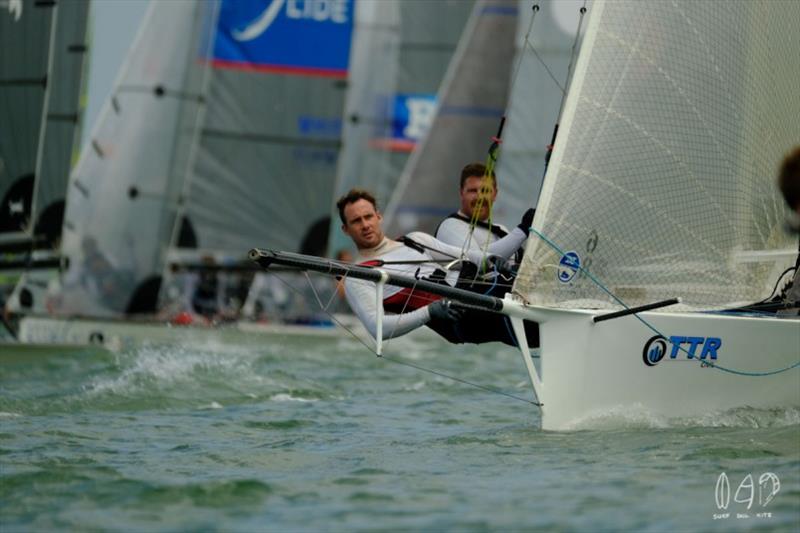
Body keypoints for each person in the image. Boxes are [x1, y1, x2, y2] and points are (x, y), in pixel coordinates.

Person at [336, 188, 538, 347]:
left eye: (368, 217)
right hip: (456, 319)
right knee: (530, 322)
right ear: (345, 229)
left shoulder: (414, 240)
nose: (365, 225)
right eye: (356, 221)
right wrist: (430, 312)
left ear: (378, 216)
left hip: (474, 288)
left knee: (535, 288)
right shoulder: (359, 275)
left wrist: (491, 260)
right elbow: (378, 328)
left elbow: (467, 255)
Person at [435, 162, 528, 266]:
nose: (479, 197)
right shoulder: (450, 226)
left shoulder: (502, 230)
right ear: (462, 193)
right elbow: (478, 261)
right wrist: (522, 231)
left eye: (485, 190)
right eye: (473, 191)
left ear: (495, 194)